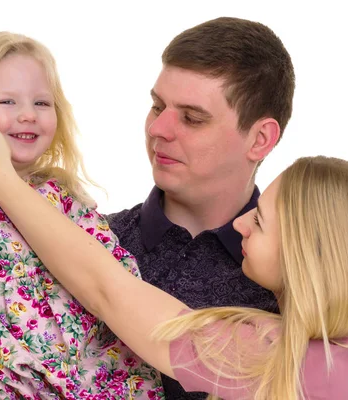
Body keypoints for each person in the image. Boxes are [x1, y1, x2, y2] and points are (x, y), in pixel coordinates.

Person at [0, 109, 348, 399]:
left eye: (259, 221)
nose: (241, 222)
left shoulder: (269, 356)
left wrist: (0, 178)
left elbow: (108, 290)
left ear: (307, 255)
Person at [0, 32, 162, 399]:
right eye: (7, 101)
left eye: (42, 102)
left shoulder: (63, 196)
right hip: (8, 384)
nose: (27, 114)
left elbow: (113, 270)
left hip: (97, 381)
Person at [107, 17, 295, 398]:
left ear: (260, 139)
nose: (159, 129)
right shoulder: (88, 238)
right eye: (157, 107)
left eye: (192, 118)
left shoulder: (301, 281)